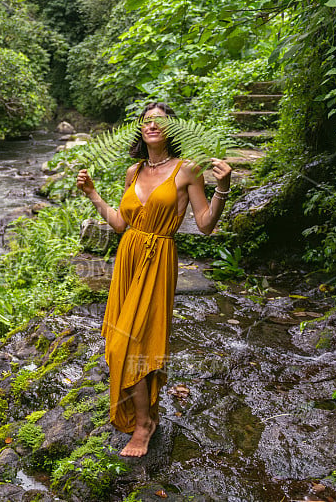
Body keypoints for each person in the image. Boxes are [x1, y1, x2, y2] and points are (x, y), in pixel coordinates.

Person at [75, 102, 231, 457]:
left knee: (132, 345)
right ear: (140, 130)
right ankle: (147, 413)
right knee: (121, 340)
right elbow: (119, 224)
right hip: (128, 259)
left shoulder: (187, 170)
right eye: (146, 121)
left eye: (159, 121)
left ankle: (144, 424)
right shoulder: (133, 171)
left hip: (158, 260)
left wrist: (223, 187)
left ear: (172, 128)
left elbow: (206, 225)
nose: (152, 125)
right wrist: (93, 194)